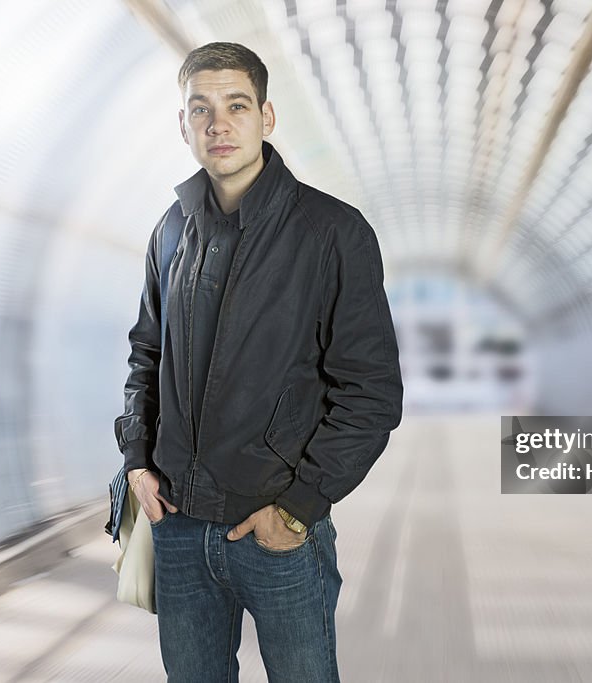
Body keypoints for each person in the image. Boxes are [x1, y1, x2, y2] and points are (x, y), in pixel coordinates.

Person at [114, 42, 403, 682]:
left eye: (236, 105)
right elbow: (146, 353)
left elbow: (371, 394)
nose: (218, 124)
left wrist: (299, 505)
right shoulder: (170, 231)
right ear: (183, 124)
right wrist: (137, 461)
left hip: (277, 534)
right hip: (180, 530)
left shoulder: (333, 232)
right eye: (201, 109)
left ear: (267, 118)